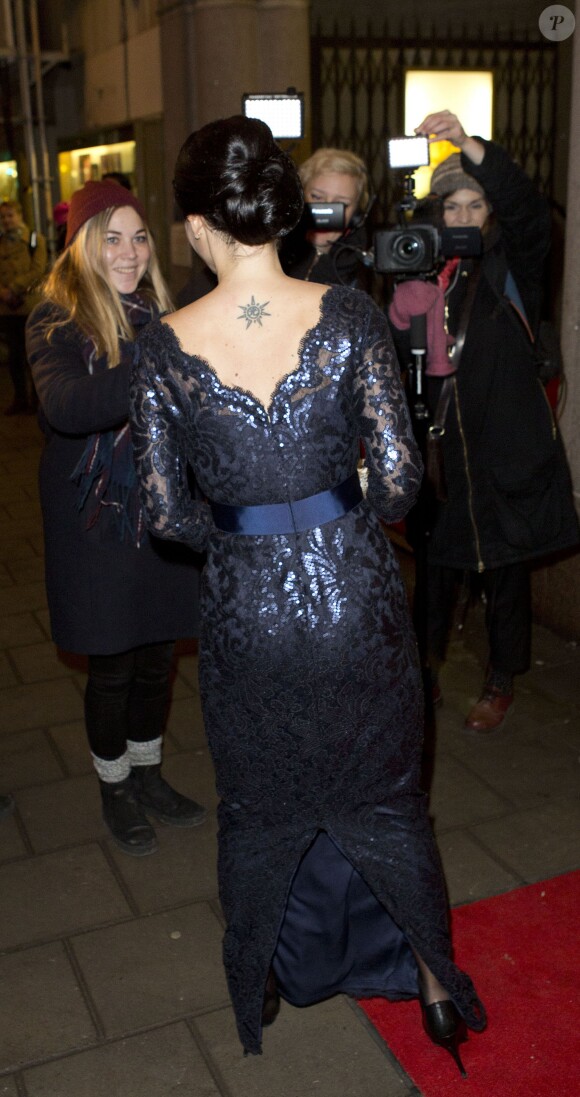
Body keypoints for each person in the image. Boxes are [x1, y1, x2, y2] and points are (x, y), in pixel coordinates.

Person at [130, 115, 485, 1069]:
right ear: (280, 214)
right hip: (357, 604)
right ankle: (437, 984)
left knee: (261, 807)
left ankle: (267, 976)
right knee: (390, 801)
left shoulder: (163, 346)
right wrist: (332, 512)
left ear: (201, 223)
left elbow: (165, 514)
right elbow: (404, 481)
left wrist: (246, 537)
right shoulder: (354, 316)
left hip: (248, 622)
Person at [25, 180, 206, 857]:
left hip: (161, 510)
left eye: (138, 236)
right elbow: (68, 407)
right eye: (112, 237)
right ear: (84, 244)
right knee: (113, 666)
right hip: (95, 520)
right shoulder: (56, 316)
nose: (129, 251)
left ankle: (150, 773)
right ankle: (115, 786)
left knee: (159, 659)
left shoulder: (163, 307)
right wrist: (154, 358)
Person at [390, 110, 579, 733]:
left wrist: (470, 146)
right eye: (453, 205)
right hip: (443, 448)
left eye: (476, 205)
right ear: (437, 213)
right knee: (436, 571)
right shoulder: (421, 267)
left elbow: (528, 211)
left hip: (503, 448)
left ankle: (501, 678)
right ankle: (424, 671)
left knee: (503, 570)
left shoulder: (512, 263)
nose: (464, 216)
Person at [280, 146, 371, 286]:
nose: (326, 209)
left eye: (340, 203)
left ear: (356, 215)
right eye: (317, 197)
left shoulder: (364, 264)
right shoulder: (275, 249)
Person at [0, 199, 48, 414]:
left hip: (29, 306)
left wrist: (13, 288)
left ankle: (37, 399)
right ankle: (20, 398)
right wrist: (3, 292)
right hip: (8, 308)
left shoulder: (34, 240)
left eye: (10, 215)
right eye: (3, 217)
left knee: (33, 354)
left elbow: (38, 269)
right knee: (15, 356)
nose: (7, 220)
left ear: (20, 216)